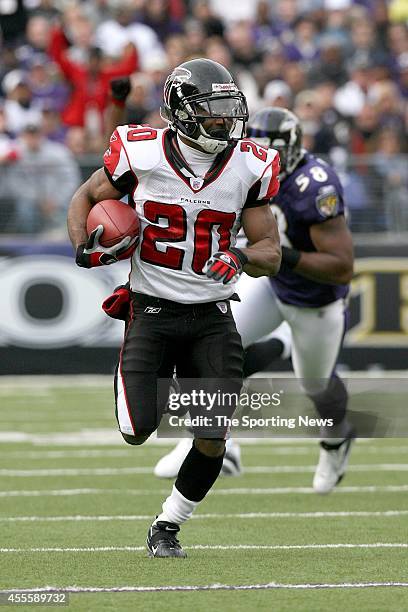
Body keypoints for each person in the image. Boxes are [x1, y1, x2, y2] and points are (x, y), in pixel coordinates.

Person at [67, 59, 281, 558]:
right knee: (137, 430)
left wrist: (242, 255)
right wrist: (83, 247)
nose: (224, 123)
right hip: (152, 310)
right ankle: (172, 383)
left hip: (211, 316)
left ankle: (167, 525)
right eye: (212, 114)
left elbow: (269, 248)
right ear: (182, 114)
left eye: (229, 112)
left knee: (211, 437)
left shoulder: (249, 164)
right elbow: (86, 196)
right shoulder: (141, 153)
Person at [157, 107, 355, 496]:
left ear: (293, 149)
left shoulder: (315, 186)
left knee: (315, 385)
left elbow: (342, 267)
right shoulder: (240, 166)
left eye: (273, 151)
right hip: (271, 285)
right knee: (213, 348)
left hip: (315, 300)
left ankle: (337, 440)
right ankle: (216, 441)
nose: (264, 159)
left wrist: (280, 254)